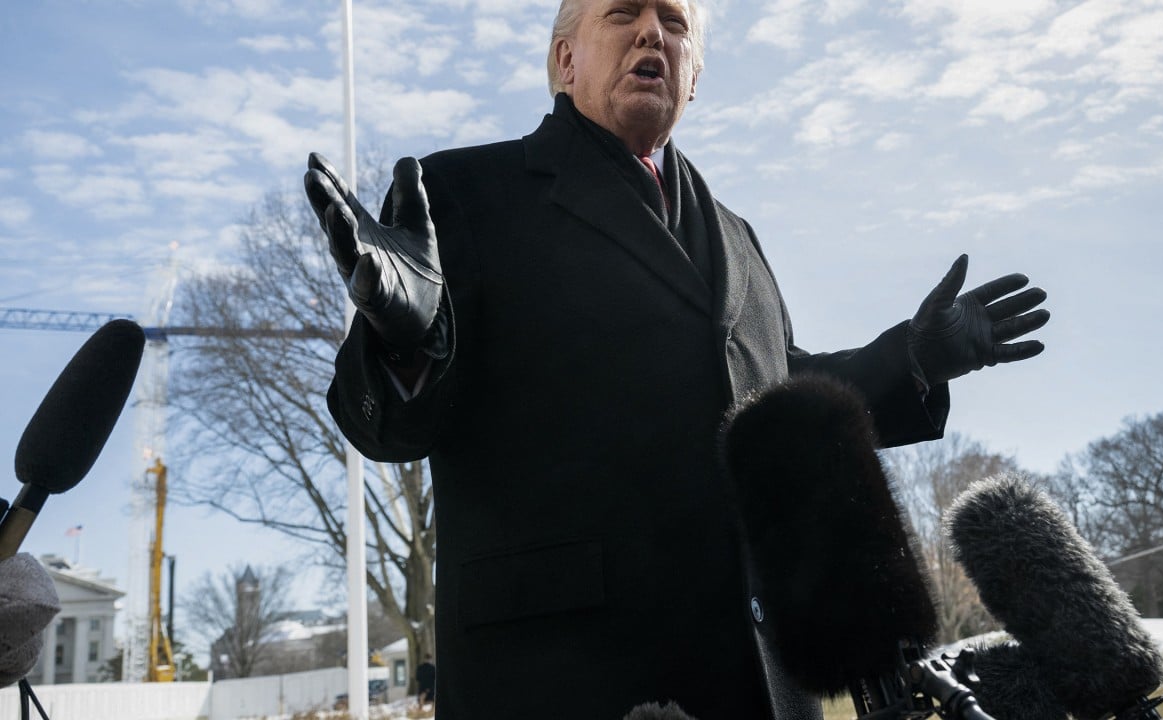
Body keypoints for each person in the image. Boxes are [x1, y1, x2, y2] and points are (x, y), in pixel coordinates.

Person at [304, 0, 1049, 718]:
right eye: (623, 13)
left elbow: (778, 400)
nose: (651, 34)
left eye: (674, 22)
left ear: (694, 78)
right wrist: (405, 339)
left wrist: (912, 358)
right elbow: (383, 429)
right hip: (566, 678)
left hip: (762, 679)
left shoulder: (738, 236)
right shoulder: (461, 195)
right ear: (565, 59)